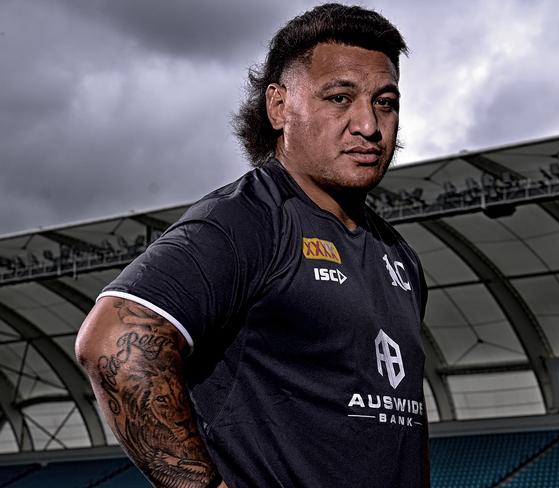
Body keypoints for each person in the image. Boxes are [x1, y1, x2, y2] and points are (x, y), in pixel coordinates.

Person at [76, 3, 429, 487]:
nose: (368, 125)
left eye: (385, 102)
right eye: (339, 98)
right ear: (280, 106)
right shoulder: (248, 222)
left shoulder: (399, 257)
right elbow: (113, 341)